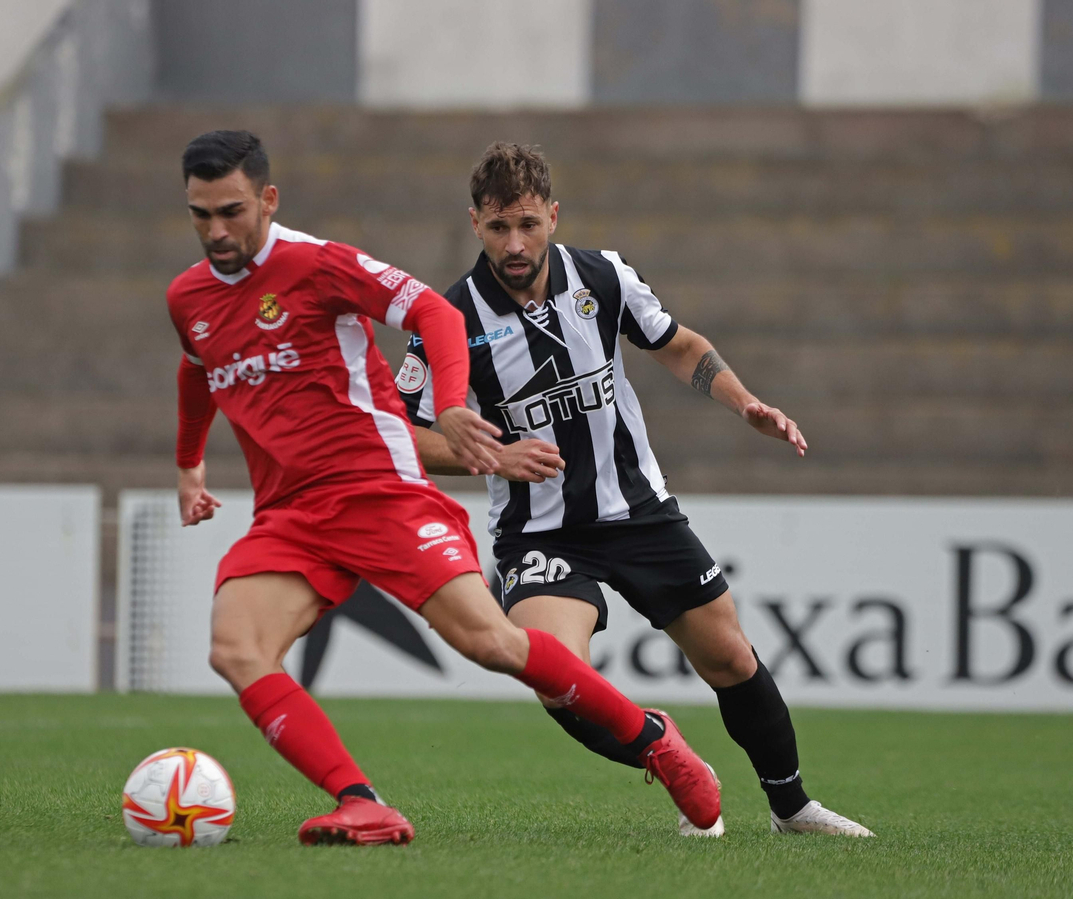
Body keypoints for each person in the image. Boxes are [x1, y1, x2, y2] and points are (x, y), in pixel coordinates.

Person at [167, 130, 722, 846]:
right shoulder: (189, 298)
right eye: (201, 215)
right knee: (236, 647)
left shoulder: (318, 265)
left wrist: (453, 403)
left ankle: (652, 737)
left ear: (268, 200)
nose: (217, 230)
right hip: (291, 515)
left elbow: (432, 309)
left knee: (493, 642)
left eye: (232, 211)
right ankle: (361, 801)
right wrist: (189, 466)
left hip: (378, 491)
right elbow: (195, 369)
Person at [400, 142, 873, 838]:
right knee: (556, 676)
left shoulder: (603, 275)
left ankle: (792, 807)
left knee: (730, 655)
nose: (515, 242)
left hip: (640, 511)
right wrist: (491, 454)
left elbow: (678, 344)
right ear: (475, 224)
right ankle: (674, 756)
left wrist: (744, 404)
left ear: (553, 216)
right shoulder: (448, 317)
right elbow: (402, 435)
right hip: (541, 530)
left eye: (528, 223)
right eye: (499, 227)